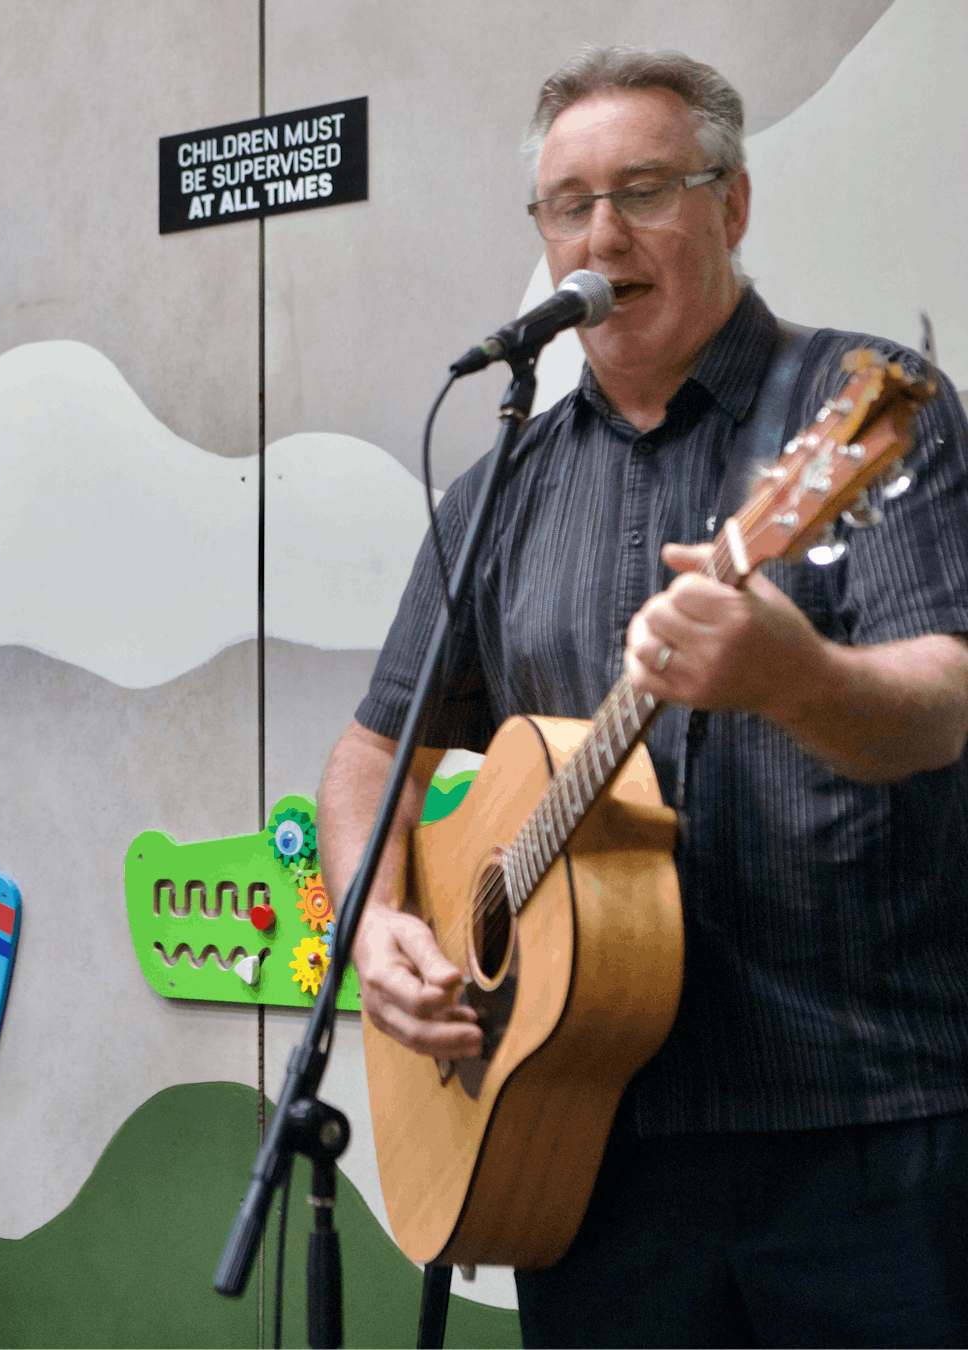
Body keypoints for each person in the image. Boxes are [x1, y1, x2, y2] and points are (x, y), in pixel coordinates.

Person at [319, 46, 968, 1348]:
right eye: (570, 202)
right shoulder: (498, 487)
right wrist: (377, 916)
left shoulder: (861, 413)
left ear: (731, 204)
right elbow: (365, 761)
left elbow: (944, 700)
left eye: (647, 189)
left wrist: (799, 676)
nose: (602, 233)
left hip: (866, 1130)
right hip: (582, 1141)